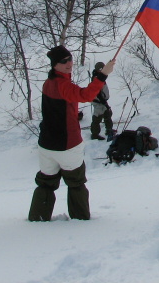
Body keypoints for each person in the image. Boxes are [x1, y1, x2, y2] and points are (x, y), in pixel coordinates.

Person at [28, 46, 115, 222]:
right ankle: (80, 220)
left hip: (46, 145)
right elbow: (86, 95)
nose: (69, 63)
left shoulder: (49, 83)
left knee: (46, 183)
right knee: (76, 182)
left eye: (70, 59)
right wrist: (103, 75)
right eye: (63, 61)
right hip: (67, 145)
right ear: (55, 65)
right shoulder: (62, 85)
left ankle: (37, 218)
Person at [89, 62, 113, 141]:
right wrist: (104, 102)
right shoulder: (97, 78)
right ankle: (95, 134)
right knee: (97, 118)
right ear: (100, 69)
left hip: (102, 101)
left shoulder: (101, 76)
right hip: (98, 102)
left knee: (108, 114)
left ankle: (109, 130)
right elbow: (98, 93)